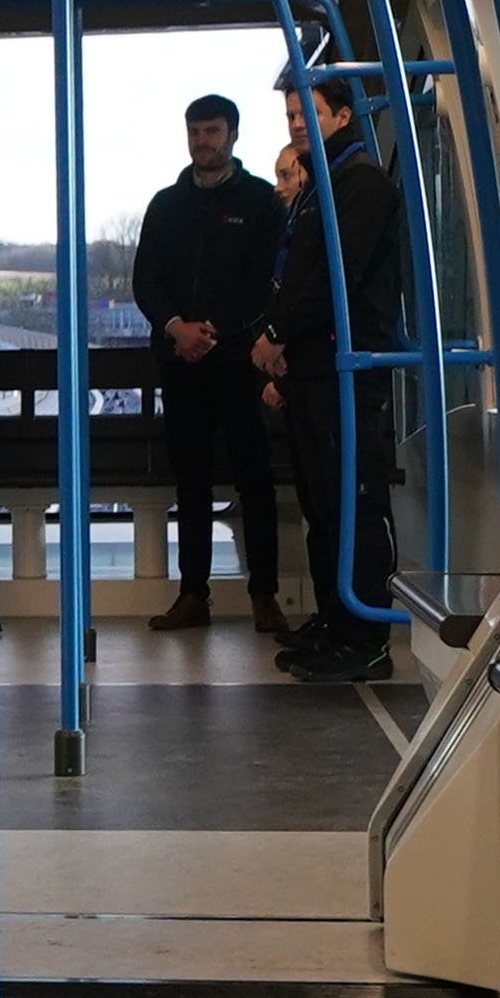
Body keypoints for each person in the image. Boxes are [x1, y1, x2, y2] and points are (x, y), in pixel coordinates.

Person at [256, 75, 404, 684]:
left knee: (354, 503)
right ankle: (334, 618)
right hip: (314, 367)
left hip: (346, 367)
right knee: (322, 503)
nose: (297, 123)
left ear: (342, 116)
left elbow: (332, 278)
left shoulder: (360, 184)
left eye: (309, 112)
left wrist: (277, 334)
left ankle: (367, 637)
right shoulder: (321, 186)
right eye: (292, 113)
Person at [132, 92, 287, 631]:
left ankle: (264, 596)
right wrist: (178, 328)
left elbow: (264, 283)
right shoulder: (164, 205)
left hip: (239, 363)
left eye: (213, 132)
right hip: (180, 363)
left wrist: (213, 330)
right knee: (189, 482)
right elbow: (145, 281)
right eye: (196, 132)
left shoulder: (263, 203)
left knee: (254, 479)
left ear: (234, 135)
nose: (203, 142)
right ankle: (192, 594)